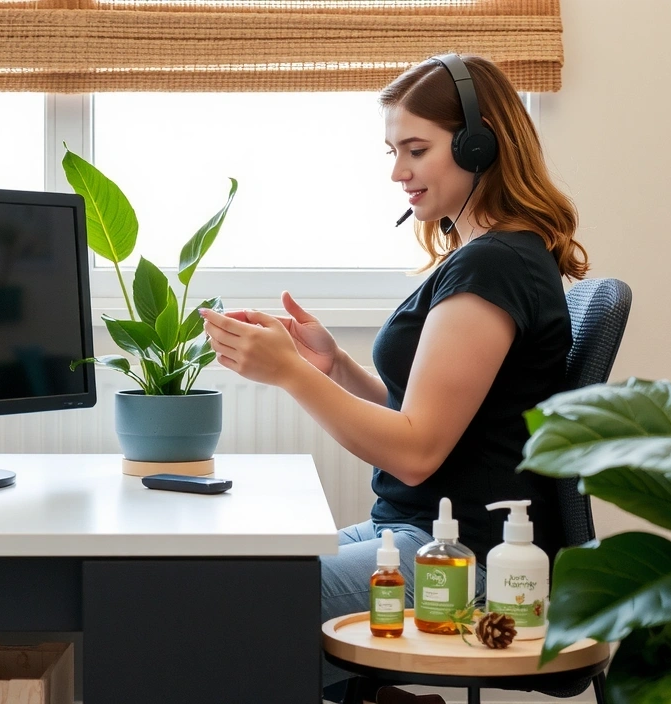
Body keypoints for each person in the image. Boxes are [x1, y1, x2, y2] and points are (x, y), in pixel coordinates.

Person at [199, 54, 588, 693]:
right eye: (392, 150)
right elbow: (437, 416)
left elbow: (415, 451)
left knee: (217, 615)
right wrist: (333, 366)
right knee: (229, 575)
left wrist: (293, 377)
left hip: (462, 561)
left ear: (479, 144)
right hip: (414, 533)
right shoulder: (489, 257)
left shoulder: (494, 268)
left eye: (415, 149)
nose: (397, 172)